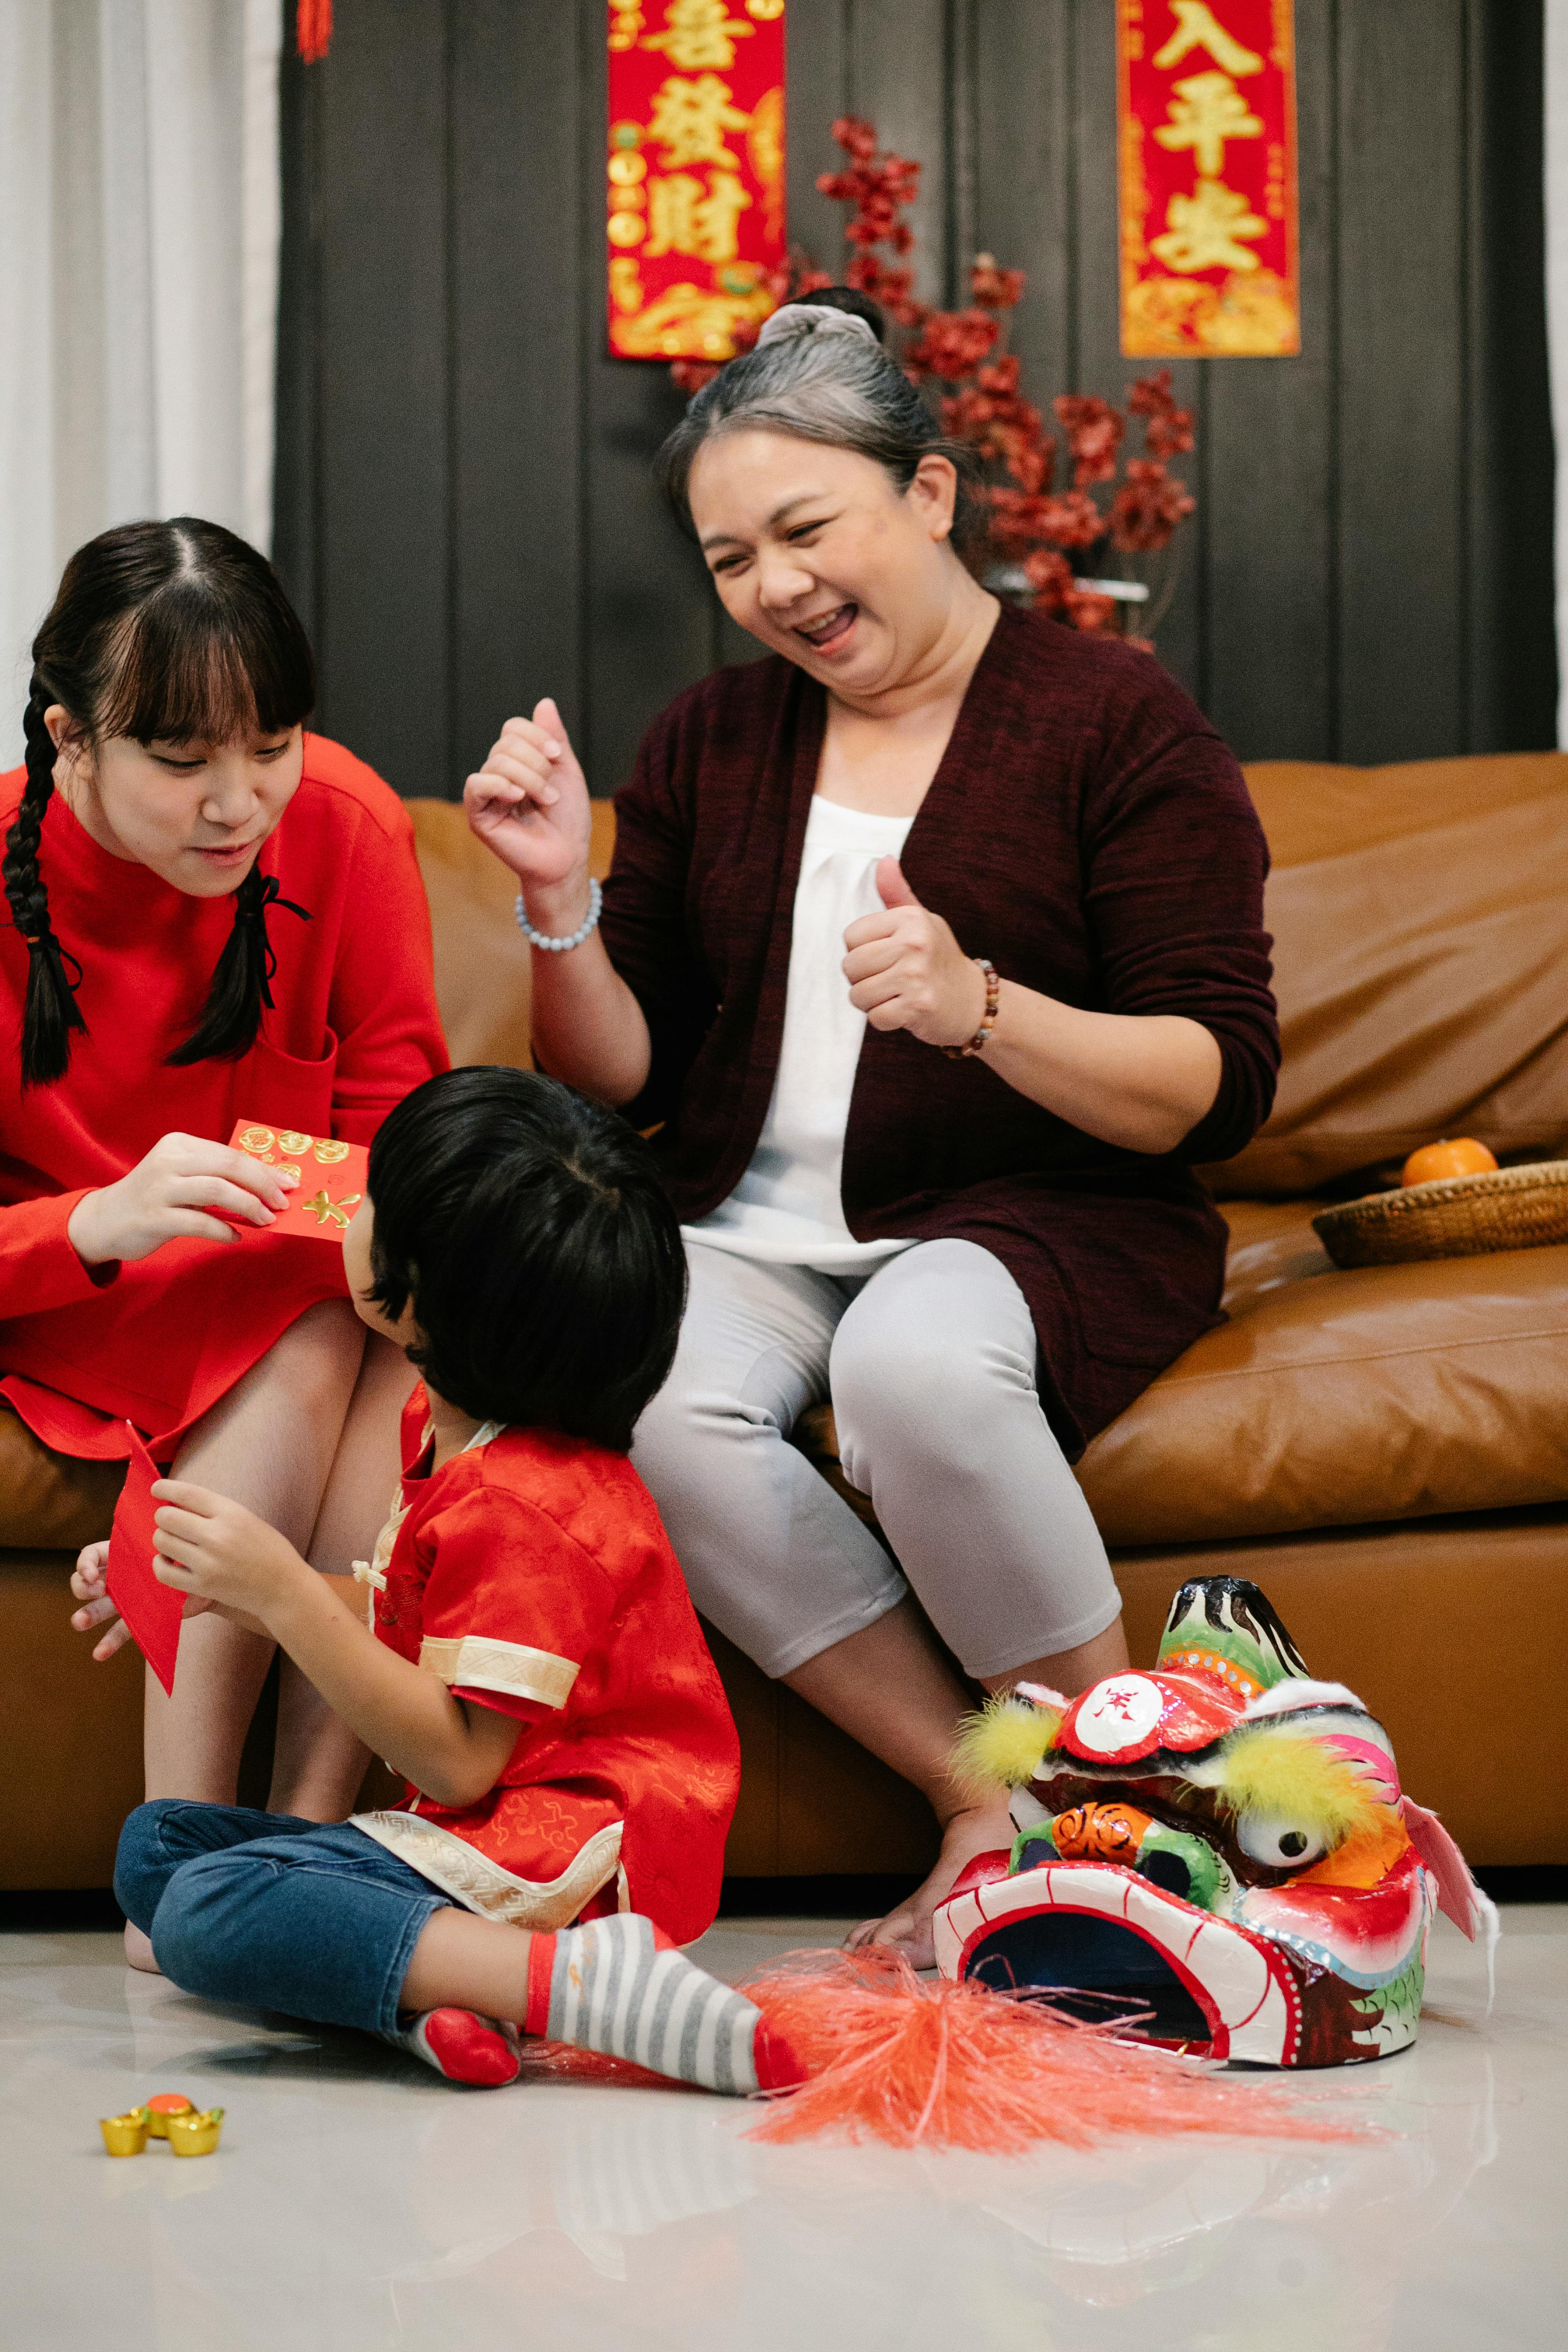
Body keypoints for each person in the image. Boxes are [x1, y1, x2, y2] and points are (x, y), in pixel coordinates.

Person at [462, 291, 1280, 1964]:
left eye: (804, 528)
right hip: (748, 1225)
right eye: (729, 559)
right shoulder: (711, 738)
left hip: (1027, 1215)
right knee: (632, 1385)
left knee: (913, 1367)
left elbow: (1216, 1076)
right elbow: (623, 1073)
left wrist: (981, 1005)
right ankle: (991, 1806)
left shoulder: (1115, 721)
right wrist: (559, 901)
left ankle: (1141, 1816)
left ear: (928, 494)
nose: (773, 587)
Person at [111, 1067, 803, 2097]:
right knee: (159, 1845)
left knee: (209, 1909)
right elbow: (407, 1619)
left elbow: (461, 1759)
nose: (346, 1202)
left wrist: (288, 1596)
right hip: (479, 1833)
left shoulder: (528, 1505)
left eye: (373, 1203)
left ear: (415, 1305)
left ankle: (570, 1985)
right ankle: (436, 2007)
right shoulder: (455, 1429)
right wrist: (235, 1585)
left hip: (565, 1851)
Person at [6, 519, 446, 1966]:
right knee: (326, 1329)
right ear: (71, 737)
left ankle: (293, 1846)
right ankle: (198, 1847)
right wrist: (98, 1218)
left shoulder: (348, 826)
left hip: (300, 1264)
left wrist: (333, 1220)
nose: (240, 801)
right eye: (183, 761)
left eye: (272, 745)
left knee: (404, 1347)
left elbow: (403, 1146)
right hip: (85, 1290)